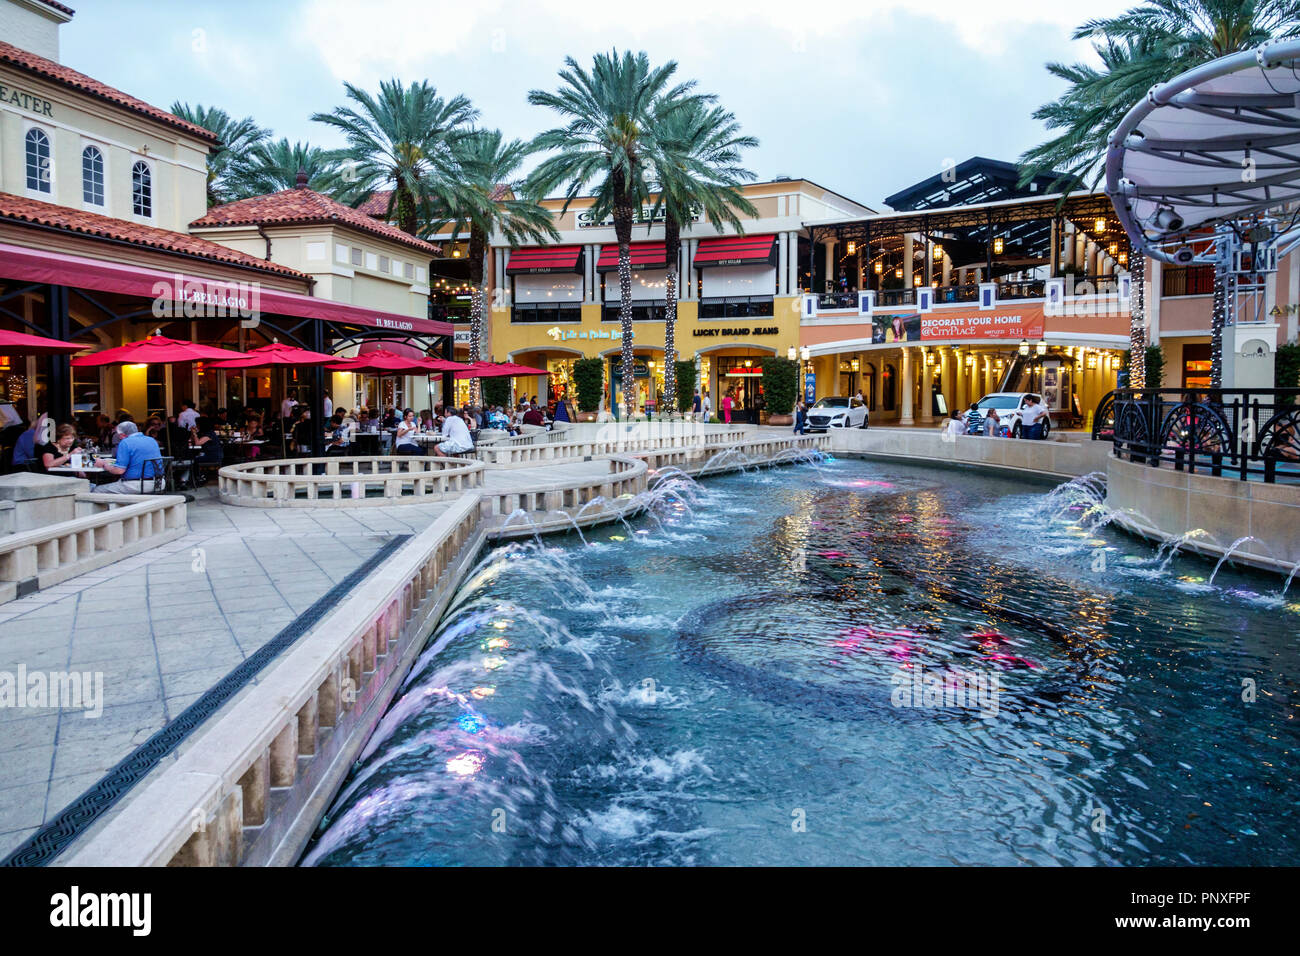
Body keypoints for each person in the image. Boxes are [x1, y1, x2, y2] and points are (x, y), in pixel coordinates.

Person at [98, 421, 163, 493]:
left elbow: (119, 470)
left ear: (122, 435)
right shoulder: (152, 440)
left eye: (118, 434)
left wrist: (105, 465)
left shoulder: (125, 442)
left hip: (137, 485)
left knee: (97, 490)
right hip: (158, 483)